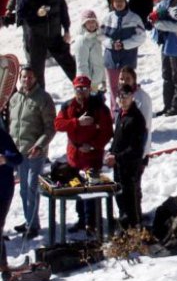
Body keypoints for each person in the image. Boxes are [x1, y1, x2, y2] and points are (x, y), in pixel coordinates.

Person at [54, 75, 113, 232]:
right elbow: (58, 124)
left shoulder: (99, 107)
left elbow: (107, 132)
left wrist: (93, 145)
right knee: (77, 186)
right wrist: (76, 122)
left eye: (85, 88)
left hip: (91, 157)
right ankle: (82, 219)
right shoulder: (68, 106)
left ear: (89, 89)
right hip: (74, 157)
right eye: (78, 89)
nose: (81, 92)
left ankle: (91, 221)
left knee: (90, 188)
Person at [8, 66, 56, 239]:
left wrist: (40, 145)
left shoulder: (43, 98)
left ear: (35, 78)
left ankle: (32, 226)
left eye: (29, 77)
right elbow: (11, 125)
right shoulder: (15, 98)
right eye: (23, 77)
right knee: (23, 190)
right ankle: (30, 221)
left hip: (35, 151)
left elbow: (51, 127)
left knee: (31, 187)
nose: (26, 80)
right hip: (18, 152)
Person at [16, 0, 76, 90]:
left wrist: (66, 29)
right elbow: (21, 15)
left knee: (69, 63)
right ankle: (39, 96)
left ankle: (82, 87)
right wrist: (36, 14)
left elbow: (63, 10)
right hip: (37, 38)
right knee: (37, 71)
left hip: (54, 35)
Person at [104, 84, 147, 229]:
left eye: (126, 96)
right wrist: (111, 151)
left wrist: (117, 157)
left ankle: (134, 231)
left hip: (129, 167)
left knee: (130, 202)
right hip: (119, 166)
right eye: (121, 97)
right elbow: (117, 140)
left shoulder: (136, 118)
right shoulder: (121, 115)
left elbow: (135, 148)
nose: (123, 100)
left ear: (132, 97)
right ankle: (125, 230)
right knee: (121, 199)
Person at [101, 0, 146, 113]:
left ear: (126, 1)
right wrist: (111, 44)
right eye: (116, 2)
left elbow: (141, 36)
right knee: (114, 87)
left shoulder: (134, 18)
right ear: (112, 4)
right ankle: (115, 111)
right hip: (111, 59)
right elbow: (100, 35)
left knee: (128, 86)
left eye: (121, 1)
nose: (119, 4)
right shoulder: (108, 18)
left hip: (128, 58)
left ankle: (131, 110)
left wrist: (125, 44)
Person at [118, 66, 153, 164]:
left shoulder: (142, 98)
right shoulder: (122, 96)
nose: (124, 82)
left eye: (128, 79)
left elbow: (144, 127)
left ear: (134, 80)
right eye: (121, 79)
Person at [0, 126, 24, 268]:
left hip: (3, 189)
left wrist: (4, 159)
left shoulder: (2, 136)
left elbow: (17, 158)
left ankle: (2, 265)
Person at [75, 9, 108, 98]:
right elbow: (82, 65)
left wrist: (103, 80)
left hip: (97, 84)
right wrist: (85, 85)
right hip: (88, 85)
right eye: (88, 22)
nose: (91, 24)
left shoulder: (96, 38)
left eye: (93, 21)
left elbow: (100, 62)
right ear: (84, 24)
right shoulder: (82, 40)